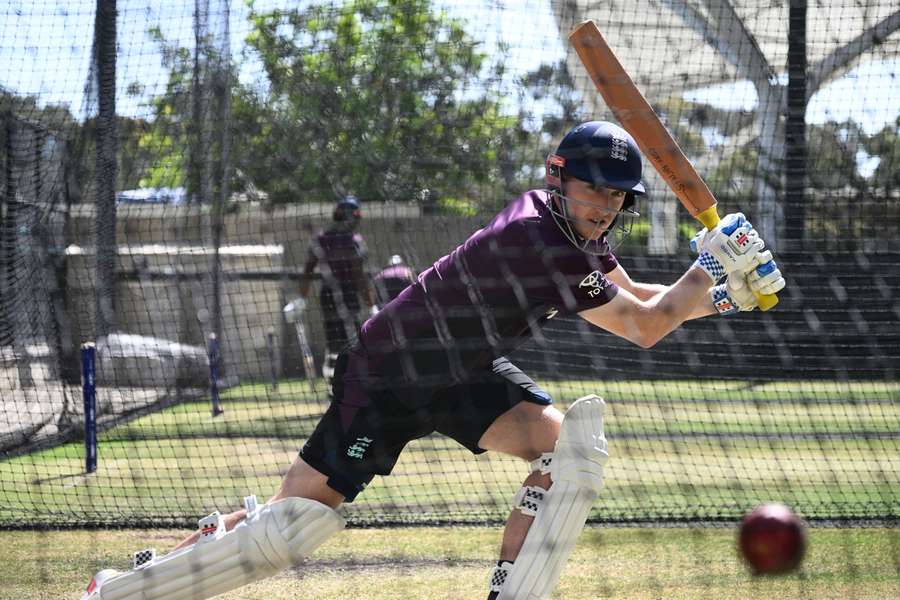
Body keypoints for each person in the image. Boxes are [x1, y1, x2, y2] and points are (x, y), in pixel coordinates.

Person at [83, 121, 785, 600]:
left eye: (616, 195)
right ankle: (121, 588)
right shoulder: (544, 246)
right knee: (288, 531)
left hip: (459, 373)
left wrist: (726, 289)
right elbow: (645, 327)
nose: (606, 205)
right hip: (389, 375)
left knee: (571, 449)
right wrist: (713, 264)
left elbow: (644, 299)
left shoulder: (569, 234)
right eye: (595, 188)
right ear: (560, 177)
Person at [292, 194, 377, 385]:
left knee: (334, 343)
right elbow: (359, 276)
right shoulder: (354, 241)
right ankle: (347, 383)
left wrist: (301, 298)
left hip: (328, 295)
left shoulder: (322, 239)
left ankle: (333, 386)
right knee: (352, 342)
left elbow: (307, 270)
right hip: (348, 296)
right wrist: (371, 304)